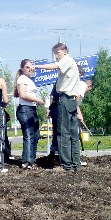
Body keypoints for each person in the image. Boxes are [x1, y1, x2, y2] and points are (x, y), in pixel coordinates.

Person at [34, 43, 80, 171]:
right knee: (73, 134)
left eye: (58, 53)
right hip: (72, 100)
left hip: (64, 99)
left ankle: (66, 165)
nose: (56, 56)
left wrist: (37, 66)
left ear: (65, 51)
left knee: (63, 133)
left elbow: (54, 66)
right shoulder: (72, 62)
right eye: (55, 53)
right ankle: (76, 163)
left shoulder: (66, 60)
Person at [13, 59, 45, 170]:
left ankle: (32, 159)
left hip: (31, 109)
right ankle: (26, 161)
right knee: (29, 135)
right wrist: (38, 100)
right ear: (22, 68)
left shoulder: (29, 79)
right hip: (25, 109)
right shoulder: (22, 79)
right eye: (27, 67)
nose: (30, 69)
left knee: (35, 135)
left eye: (32, 67)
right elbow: (22, 94)